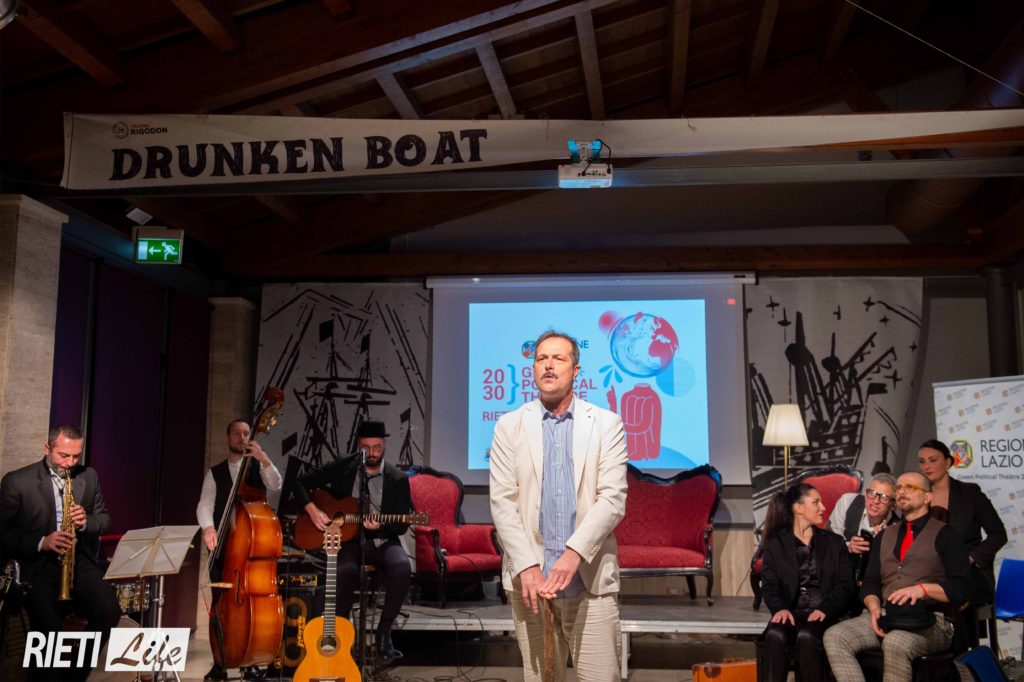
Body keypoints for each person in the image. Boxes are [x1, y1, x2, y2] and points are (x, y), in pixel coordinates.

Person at [489, 330, 628, 682]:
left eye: (558, 358)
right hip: (531, 584)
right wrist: (527, 566)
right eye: (541, 359)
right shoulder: (509, 425)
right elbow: (502, 503)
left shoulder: (606, 423)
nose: (548, 365)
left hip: (589, 582)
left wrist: (573, 553)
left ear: (575, 370)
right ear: (533, 369)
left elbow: (612, 499)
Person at [823, 471, 971, 682]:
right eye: (899, 488)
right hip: (887, 615)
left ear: (927, 497)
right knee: (835, 636)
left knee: (895, 641)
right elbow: (871, 582)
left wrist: (923, 590)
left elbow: (962, 588)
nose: (902, 492)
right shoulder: (884, 536)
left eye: (910, 487)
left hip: (933, 621)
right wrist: (874, 607)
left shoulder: (947, 535)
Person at [0, 424, 121, 682]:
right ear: (47, 448)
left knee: (109, 611)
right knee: (48, 632)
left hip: (77, 559)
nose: (70, 462)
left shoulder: (89, 476)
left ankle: (73, 675)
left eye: (76, 456)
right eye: (64, 455)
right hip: (36, 564)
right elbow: (3, 532)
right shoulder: (17, 481)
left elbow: (104, 519)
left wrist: (86, 521)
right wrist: (42, 542)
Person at [296, 420, 412, 662]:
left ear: (384, 446)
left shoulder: (398, 478)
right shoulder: (344, 468)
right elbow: (300, 482)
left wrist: (382, 524)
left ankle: (384, 632)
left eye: (377, 448)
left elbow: (401, 525)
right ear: (359, 445)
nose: (372, 453)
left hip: (382, 540)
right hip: (349, 540)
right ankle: (340, 636)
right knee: (344, 570)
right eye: (366, 448)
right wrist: (311, 509)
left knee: (402, 567)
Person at [196, 419, 282, 682]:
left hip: (249, 553)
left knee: (251, 612)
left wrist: (264, 459)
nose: (242, 438)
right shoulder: (215, 473)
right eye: (237, 433)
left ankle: (250, 660)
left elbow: (276, 483)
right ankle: (219, 662)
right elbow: (204, 505)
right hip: (223, 550)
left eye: (246, 434)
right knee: (219, 610)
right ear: (228, 437)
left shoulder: (258, 468)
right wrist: (209, 528)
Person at [760, 483, 855, 682]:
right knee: (775, 634)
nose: (823, 508)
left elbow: (846, 585)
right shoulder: (775, 543)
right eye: (816, 502)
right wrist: (779, 608)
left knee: (806, 636)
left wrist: (825, 608)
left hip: (824, 612)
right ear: (798, 508)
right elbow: (769, 585)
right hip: (791, 611)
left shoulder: (834, 542)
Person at [918, 438, 1006, 604]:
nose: (926, 466)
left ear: (948, 462)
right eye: (922, 462)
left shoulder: (970, 493)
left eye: (933, 460)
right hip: (929, 575)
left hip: (969, 575)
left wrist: (970, 558)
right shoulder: (918, 496)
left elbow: (998, 534)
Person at [829, 473, 900, 580]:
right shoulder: (848, 501)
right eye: (872, 493)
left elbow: (892, 570)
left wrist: (882, 543)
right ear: (865, 493)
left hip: (869, 579)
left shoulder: (896, 527)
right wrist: (848, 546)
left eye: (884, 498)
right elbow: (830, 541)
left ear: (893, 505)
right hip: (836, 570)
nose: (875, 501)